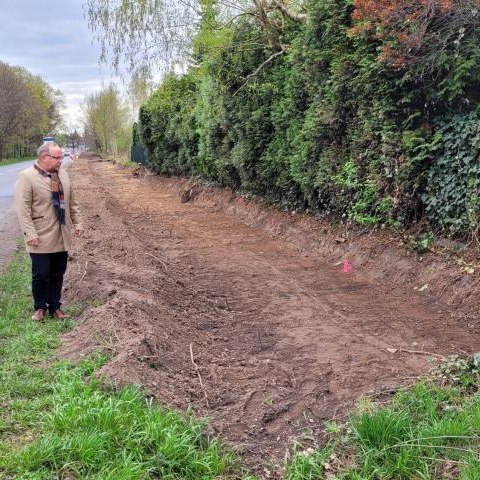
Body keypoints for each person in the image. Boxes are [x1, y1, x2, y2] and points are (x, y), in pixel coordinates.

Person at [15, 142, 83, 321]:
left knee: (58, 272)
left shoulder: (62, 174)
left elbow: (72, 202)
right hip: (40, 234)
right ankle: (40, 307)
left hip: (62, 233)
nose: (62, 160)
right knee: (41, 273)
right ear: (44, 157)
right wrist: (30, 234)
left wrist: (77, 223)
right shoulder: (27, 177)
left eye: (61, 157)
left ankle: (55, 306)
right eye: (58, 157)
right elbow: (23, 210)